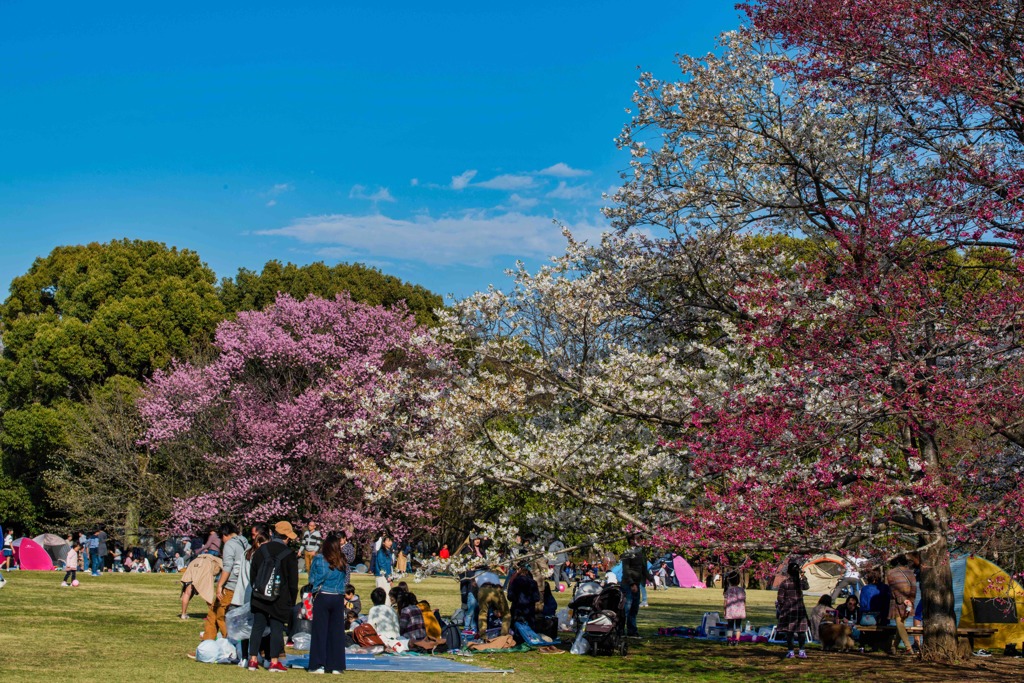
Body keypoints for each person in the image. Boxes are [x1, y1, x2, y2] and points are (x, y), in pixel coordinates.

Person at [246, 521, 298, 673]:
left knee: (257, 626)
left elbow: (253, 573)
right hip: (280, 597)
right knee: (276, 628)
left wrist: (258, 588)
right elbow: (293, 582)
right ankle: (274, 662)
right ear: (287, 537)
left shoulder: (262, 550)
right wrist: (291, 601)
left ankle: (252, 660)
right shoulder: (289, 554)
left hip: (260, 594)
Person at [307, 534, 349, 674]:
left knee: (320, 632)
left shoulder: (319, 559)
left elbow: (312, 578)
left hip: (322, 595)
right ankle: (336, 665)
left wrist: (315, 588)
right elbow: (345, 579)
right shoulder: (342, 559)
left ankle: (318, 664)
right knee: (336, 633)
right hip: (337, 597)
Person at [203, 522, 248, 640]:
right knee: (212, 614)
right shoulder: (245, 543)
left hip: (230, 585)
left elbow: (228, 567)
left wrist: (220, 585)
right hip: (242, 584)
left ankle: (229, 642)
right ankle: (207, 642)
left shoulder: (229, 545)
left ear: (224, 535)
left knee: (221, 615)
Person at [776, 560, 810, 659]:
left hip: (788, 609)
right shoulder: (800, 583)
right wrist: (803, 576)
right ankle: (802, 650)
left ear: (788, 572)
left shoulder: (785, 583)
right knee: (801, 631)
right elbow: (807, 586)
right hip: (800, 608)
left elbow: (780, 598)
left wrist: (782, 606)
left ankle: (791, 651)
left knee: (790, 631)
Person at [886, 557, 917, 655]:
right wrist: (910, 601)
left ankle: (908, 648)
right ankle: (894, 647)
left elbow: (893, 589)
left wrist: (903, 600)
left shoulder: (890, 572)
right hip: (909, 601)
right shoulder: (910, 572)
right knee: (901, 623)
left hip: (897, 602)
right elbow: (914, 588)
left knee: (899, 623)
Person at [620, 534, 649, 637]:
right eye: (637, 539)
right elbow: (626, 570)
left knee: (634, 608)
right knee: (626, 608)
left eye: (641, 539)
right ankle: (620, 630)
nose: (640, 541)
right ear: (631, 541)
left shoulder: (640, 553)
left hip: (637, 583)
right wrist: (632, 583)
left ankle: (632, 631)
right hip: (628, 584)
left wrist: (651, 579)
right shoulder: (627, 554)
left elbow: (643, 568)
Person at [476, 570, 511, 638]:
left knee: (483, 613)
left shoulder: (476, 573)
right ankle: (504, 636)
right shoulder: (493, 574)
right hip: (496, 589)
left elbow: (474, 585)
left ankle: (483, 635)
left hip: (483, 589)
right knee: (506, 614)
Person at [507, 563, 541, 629]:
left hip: (517, 609)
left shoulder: (515, 582)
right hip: (529, 610)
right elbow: (537, 597)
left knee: (516, 628)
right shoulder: (533, 582)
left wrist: (515, 599)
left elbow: (510, 596)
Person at [723, 571, 746, 643]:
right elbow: (744, 601)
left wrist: (724, 610)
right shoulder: (742, 590)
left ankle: (729, 639)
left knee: (730, 626)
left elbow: (725, 602)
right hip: (739, 611)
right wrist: (744, 609)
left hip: (730, 611)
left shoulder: (728, 590)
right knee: (738, 626)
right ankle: (737, 639)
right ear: (738, 580)